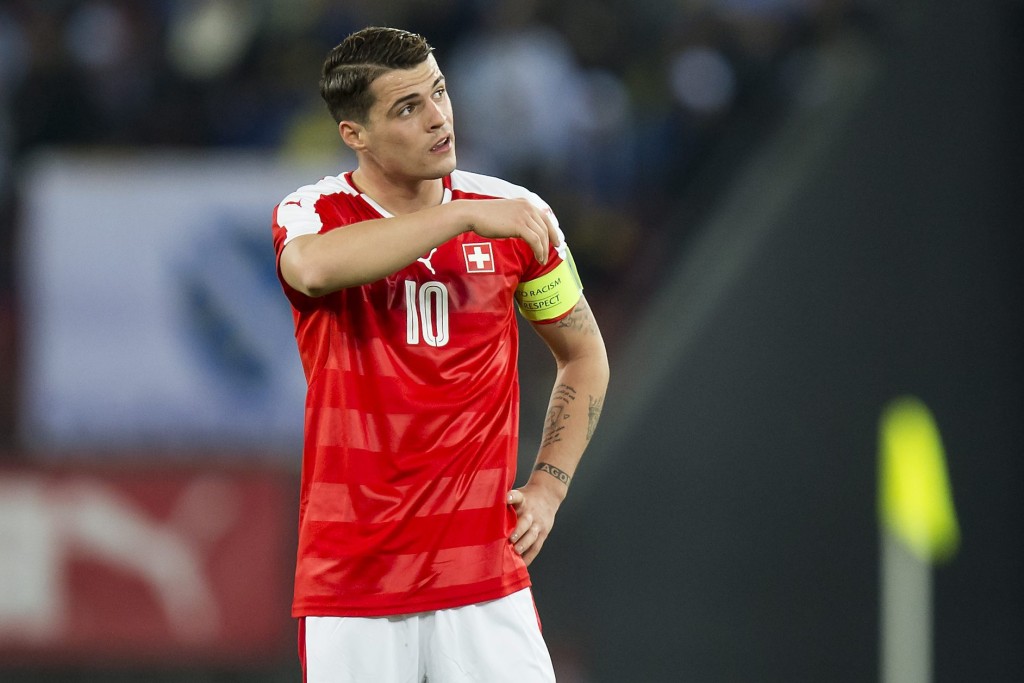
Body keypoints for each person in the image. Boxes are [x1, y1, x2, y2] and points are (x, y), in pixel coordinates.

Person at [271, 26, 609, 682]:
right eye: (407, 107)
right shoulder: (313, 211)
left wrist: (549, 486)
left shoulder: (518, 215)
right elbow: (311, 270)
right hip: (353, 585)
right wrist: (457, 218)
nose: (438, 118)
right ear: (355, 134)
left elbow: (584, 355)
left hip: (484, 578)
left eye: (440, 92)